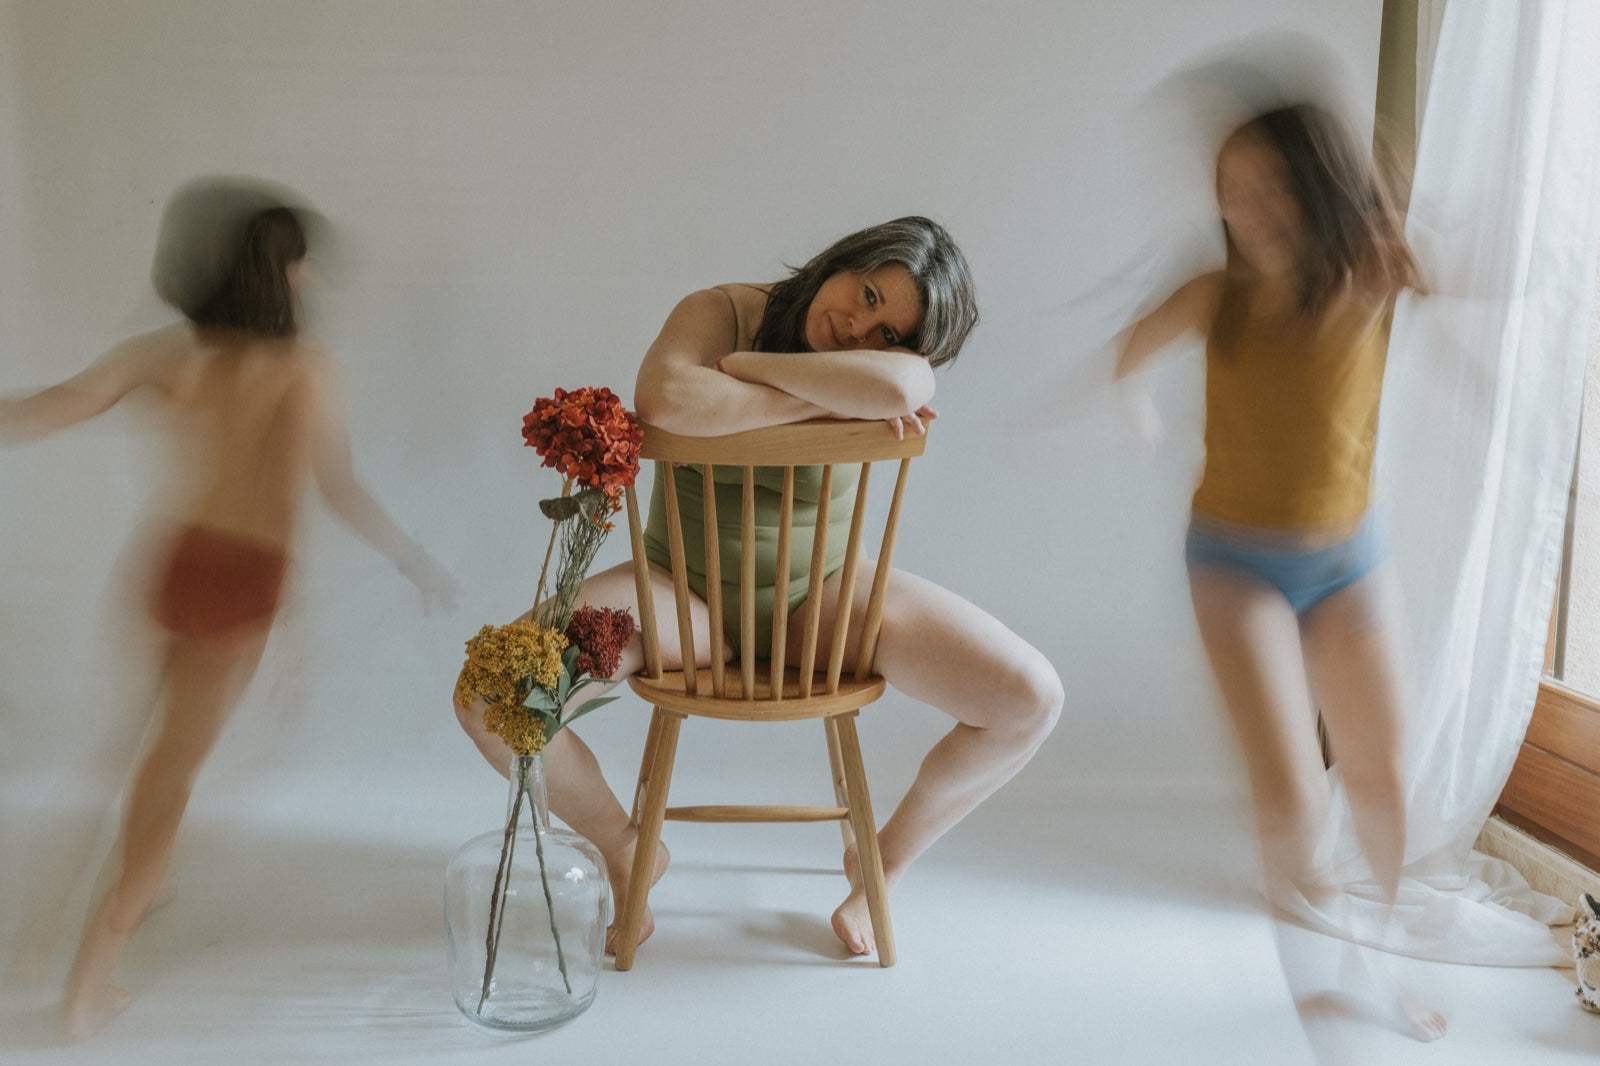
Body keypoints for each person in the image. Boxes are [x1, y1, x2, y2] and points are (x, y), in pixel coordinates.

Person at [455, 216, 1063, 958]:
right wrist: (829, 396)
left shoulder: (878, 367)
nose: (855, 327)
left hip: (826, 600)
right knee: (492, 694)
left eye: (886, 333)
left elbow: (907, 384)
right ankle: (624, 846)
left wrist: (738, 374)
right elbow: (667, 400)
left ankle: (885, 861)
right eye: (865, 292)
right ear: (841, 261)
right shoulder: (722, 312)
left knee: (1030, 698)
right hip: (682, 595)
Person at [0, 178, 457, 1042]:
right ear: (279, 272)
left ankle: (91, 908)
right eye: (303, 267)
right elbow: (335, 488)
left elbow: (46, 408)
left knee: (132, 747)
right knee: (169, 779)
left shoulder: (165, 355)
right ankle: (88, 983)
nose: (312, 282)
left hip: (172, 560)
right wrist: (409, 559)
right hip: (243, 579)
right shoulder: (303, 370)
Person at [1113, 105, 1445, 1041]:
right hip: (1235, 563)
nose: (1244, 206)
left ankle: (1372, 965)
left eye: (1267, 186)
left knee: (1382, 778)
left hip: (1350, 558)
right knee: (1293, 794)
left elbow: (1458, 281)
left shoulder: (1371, 275)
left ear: (1316, 185)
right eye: (1231, 189)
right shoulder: (1214, 294)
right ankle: (1316, 1001)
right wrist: (1132, 406)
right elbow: (1130, 351)